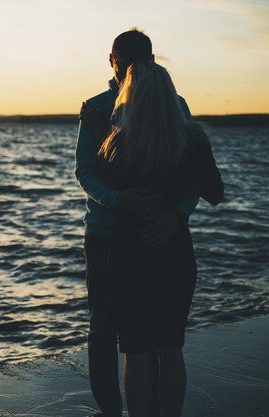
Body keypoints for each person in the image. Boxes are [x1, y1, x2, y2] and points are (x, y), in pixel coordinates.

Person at [74, 28, 199, 417]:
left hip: (154, 237)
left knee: (147, 339)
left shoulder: (172, 103)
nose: (124, 67)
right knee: (110, 328)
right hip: (108, 233)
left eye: (131, 60)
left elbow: (192, 173)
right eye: (121, 59)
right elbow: (85, 171)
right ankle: (111, 408)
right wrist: (118, 200)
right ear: (112, 61)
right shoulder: (97, 107)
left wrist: (176, 215)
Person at [97, 60, 223, 417]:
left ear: (130, 97)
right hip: (173, 255)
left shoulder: (116, 144)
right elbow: (214, 191)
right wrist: (177, 208)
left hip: (128, 257)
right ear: (170, 96)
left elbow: (107, 184)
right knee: (170, 348)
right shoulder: (193, 139)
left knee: (135, 350)